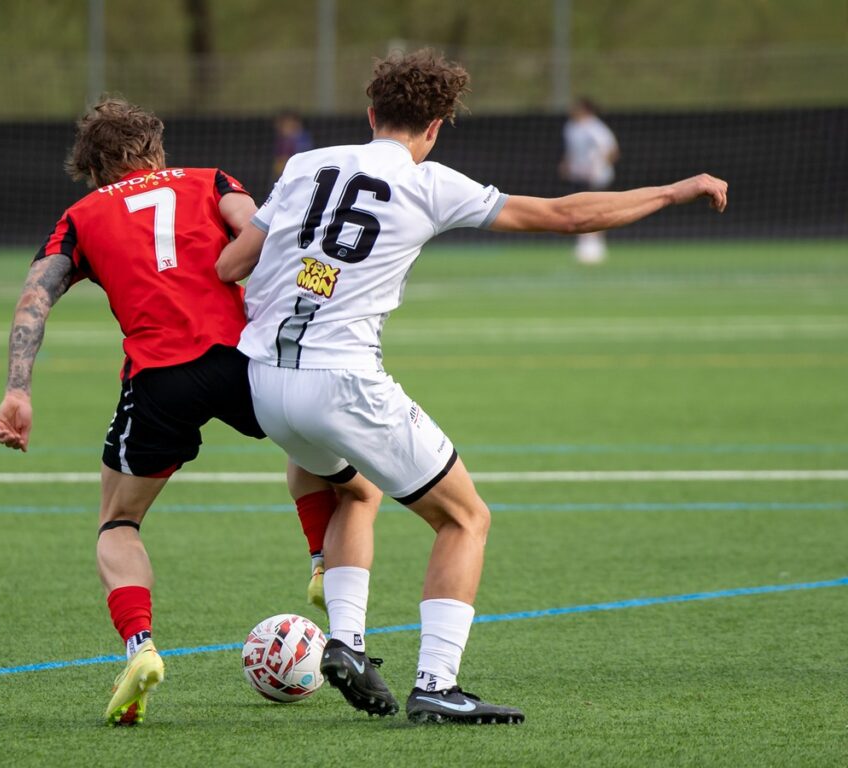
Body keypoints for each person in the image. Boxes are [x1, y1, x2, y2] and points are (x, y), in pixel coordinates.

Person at [216, 48, 727, 725]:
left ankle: (347, 642)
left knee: (356, 492)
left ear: (370, 114)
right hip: (342, 383)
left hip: (265, 382)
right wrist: (671, 191)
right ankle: (436, 684)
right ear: (436, 126)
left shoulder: (305, 166)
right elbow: (566, 216)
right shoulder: (429, 183)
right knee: (465, 518)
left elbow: (230, 265)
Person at [0, 97, 365, 726]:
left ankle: (140, 648)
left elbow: (36, 295)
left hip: (159, 380)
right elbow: (263, 232)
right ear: (155, 149)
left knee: (118, 521)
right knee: (309, 444)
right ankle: (322, 563)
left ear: (94, 168)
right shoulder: (210, 181)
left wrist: (18, 389)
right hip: (243, 360)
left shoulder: (81, 215)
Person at [559, 97, 620, 263]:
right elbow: (571, 151)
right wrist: (567, 164)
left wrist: (599, 168)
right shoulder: (571, 127)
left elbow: (612, 150)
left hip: (596, 177)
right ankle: (584, 243)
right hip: (578, 175)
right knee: (577, 208)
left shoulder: (596, 128)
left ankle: (597, 245)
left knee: (596, 209)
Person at [272, 110, 313, 180]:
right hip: (284, 175)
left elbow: (302, 161)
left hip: (302, 174)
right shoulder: (282, 140)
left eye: (288, 124)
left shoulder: (303, 139)